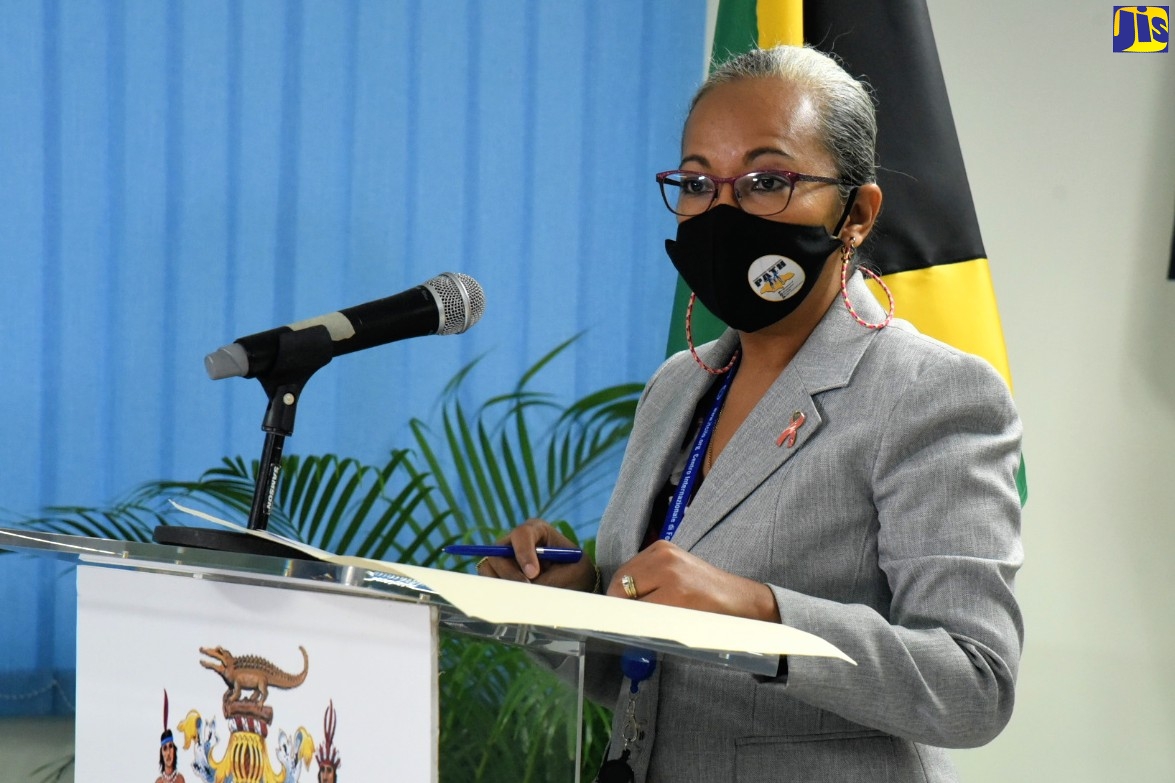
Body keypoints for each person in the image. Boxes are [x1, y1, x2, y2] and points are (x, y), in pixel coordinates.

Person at [477, 44, 1023, 783]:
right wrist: (573, 601)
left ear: (856, 214)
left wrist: (762, 612)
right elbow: (653, 683)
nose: (721, 212)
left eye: (766, 180)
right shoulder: (678, 384)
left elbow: (972, 684)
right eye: (698, 183)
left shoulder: (931, 392)